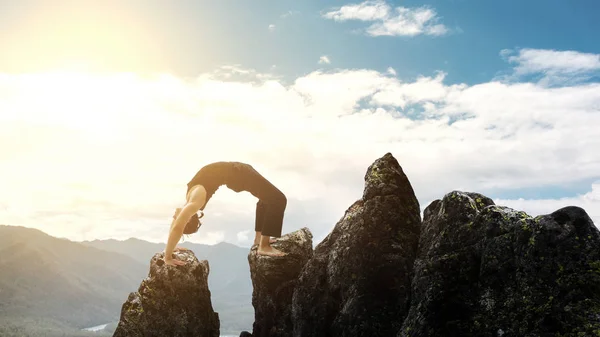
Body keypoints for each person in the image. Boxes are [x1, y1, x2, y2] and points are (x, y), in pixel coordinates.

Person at [164, 161, 288, 266]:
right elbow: (177, 227)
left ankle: (259, 239)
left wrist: (169, 250)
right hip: (239, 173)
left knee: (267, 198)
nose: (175, 216)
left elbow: (177, 224)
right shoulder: (196, 200)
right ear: (189, 219)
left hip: (237, 172)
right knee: (278, 199)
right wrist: (168, 257)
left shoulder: (190, 200)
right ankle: (264, 246)